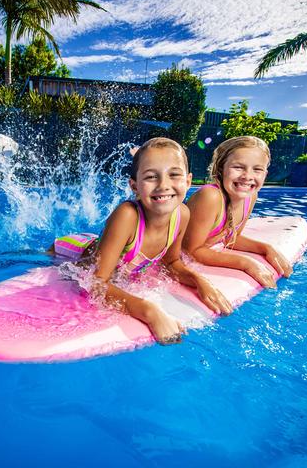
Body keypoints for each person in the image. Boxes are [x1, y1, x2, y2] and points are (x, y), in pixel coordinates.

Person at [50, 138, 231, 345]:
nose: (164, 185)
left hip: (102, 242)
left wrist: (200, 282)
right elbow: (95, 282)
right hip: (68, 249)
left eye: (174, 175)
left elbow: (171, 263)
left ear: (188, 181)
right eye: (151, 177)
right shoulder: (127, 215)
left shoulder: (182, 214)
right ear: (134, 186)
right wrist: (149, 311)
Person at [183, 136, 293, 290]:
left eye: (257, 169)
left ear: (265, 174)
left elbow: (231, 238)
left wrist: (266, 249)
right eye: (238, 167)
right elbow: (191, 251)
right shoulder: (210, 197)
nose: (247, 176)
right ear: (221, 169)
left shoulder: (250, 196)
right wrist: (245, 263)